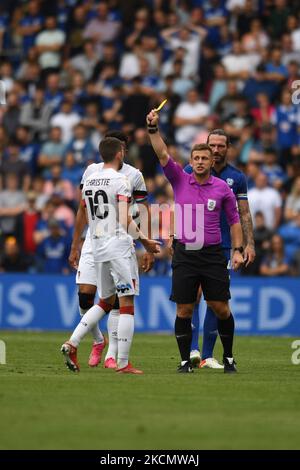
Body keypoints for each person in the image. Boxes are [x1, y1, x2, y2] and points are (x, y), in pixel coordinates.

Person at [146, 109, 244, 373]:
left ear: (212, 162)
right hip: (185, 253)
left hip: (213, 254)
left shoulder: (223, 188)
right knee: (184, 310)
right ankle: (183, 362)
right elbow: (162, 153)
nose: (200, 161)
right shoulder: (180, 179)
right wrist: (153, 129)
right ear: (191, 161)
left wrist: (237, 250)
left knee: (220, 307)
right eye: (196, 158)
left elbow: (235, 221)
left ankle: (229, 358)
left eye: (205, 158)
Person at [61, 137, 160, 374]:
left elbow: (83, 211)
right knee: (126, 304)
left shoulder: (91, 179)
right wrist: (146, 242)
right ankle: (123, 363)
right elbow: (126, 218)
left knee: (105, 301)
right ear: (119, 154)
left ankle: (72, 343)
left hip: (96, 246)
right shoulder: (121, 180)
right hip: (118, 246)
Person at [183, 129, 255, 368]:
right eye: (211, 145)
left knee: (216, 300)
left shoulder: (237, 177)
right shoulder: (191, 170)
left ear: (228, 148)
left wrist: (247, 244)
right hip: (193, 243)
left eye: (220, 146)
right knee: (192, 295)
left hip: (223, 245)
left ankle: (207, 355)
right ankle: (193, 350)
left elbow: (243, 213)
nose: (215, 150)